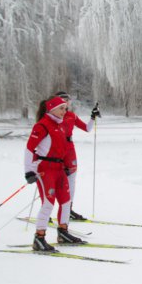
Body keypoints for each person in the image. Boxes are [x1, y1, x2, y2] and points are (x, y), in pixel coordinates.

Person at [24, 95, 86, 251]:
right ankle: (39, 238)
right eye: (61, 108)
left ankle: (63, 233)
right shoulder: (42, 126)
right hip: (46, 169)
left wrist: (65, 164)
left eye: (65, 108)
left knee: (66, 201)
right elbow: (29, 149)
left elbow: (63, 148)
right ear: (51, 108)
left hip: (59, 168)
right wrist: (29, 171)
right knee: (48, 203)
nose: (64, 111)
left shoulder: (61, 125)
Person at [54, 91, 100, 221]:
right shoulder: (52, 116)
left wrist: (92, 116)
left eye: (67, 100)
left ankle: (68, 209)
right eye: (62, 100)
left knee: (72, 181)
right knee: (54, 181)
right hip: (56, 150)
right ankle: (48, 209)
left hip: (70, 149)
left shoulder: (71, 116)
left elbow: (87, 128)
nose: (65, 102)